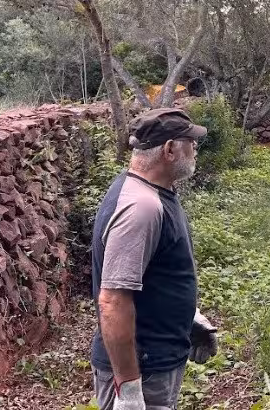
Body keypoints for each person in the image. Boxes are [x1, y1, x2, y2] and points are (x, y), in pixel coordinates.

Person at [90, 108, 219, 410]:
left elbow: (154, 275)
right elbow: (113, 301)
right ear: (170, 149)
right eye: (190, 141)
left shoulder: (155, 193)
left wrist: (189, 317)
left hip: (157, 360)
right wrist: (130, 391)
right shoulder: (141, 208)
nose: (195, 147)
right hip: (143, 368)